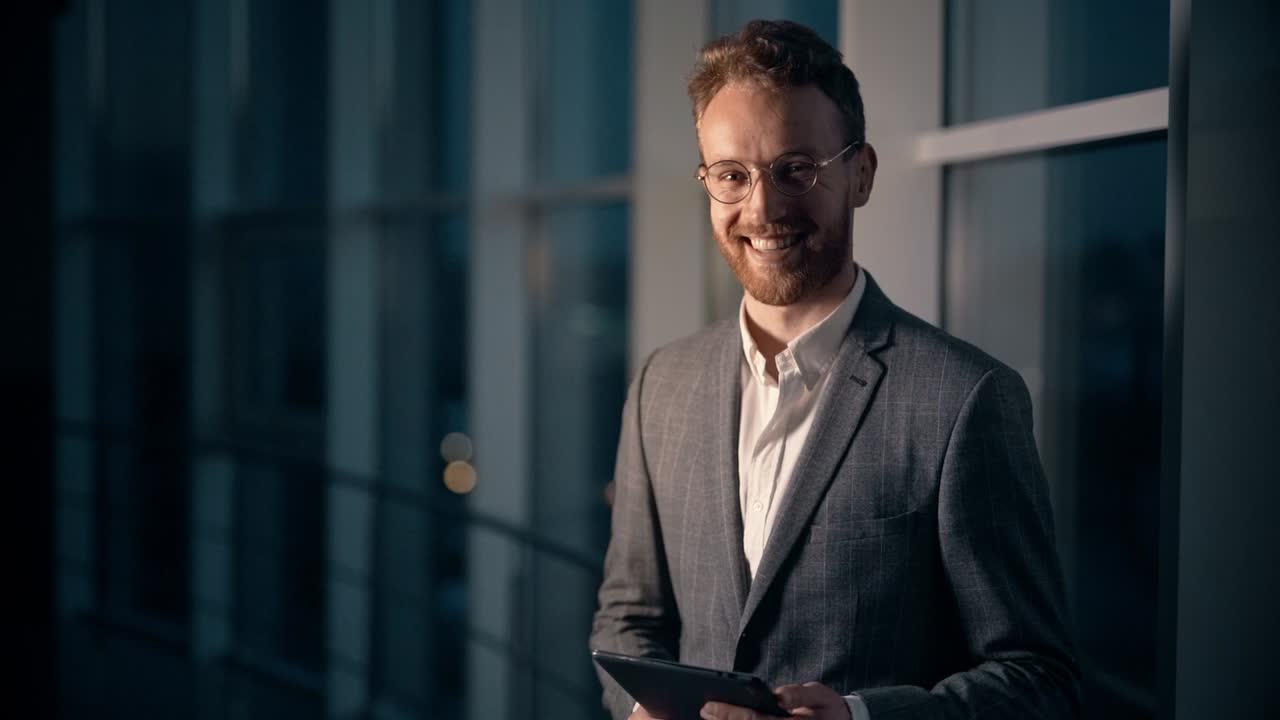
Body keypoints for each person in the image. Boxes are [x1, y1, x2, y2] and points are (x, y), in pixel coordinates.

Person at [590, 19, 1079, 720]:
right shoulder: (660, 386)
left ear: (861, 174)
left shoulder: (966, 399)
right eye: (732, 176)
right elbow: (627, 618)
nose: (763, 208)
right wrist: (646, 712)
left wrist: (858, 717)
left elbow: (1038, 679)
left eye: (796, 169)